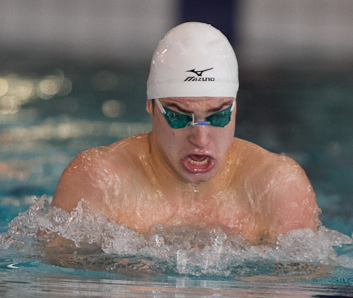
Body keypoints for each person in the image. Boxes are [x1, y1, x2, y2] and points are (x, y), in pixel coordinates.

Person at [51, 22, 320, 245]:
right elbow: (58, 279)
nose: (200, 139)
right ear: (151, 107)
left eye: (218, 116)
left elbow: (299, 285)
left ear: (236, 109)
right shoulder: (97, 181)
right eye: (179, 117)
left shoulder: (277, 186)